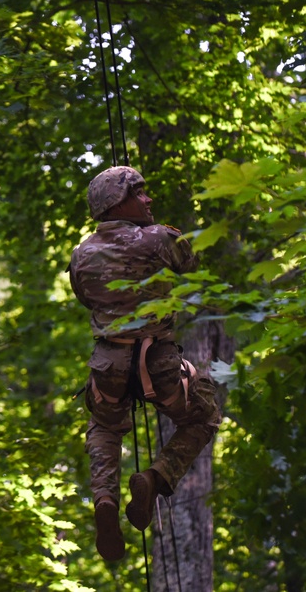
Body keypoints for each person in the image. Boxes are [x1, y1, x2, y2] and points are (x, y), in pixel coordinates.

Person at [68, 165, 221, 562]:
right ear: (119, 202)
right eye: (140, 193)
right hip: (159, 363)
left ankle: (104, 499)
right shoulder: (158, 239)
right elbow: (190, 262)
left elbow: (85, 298)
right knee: (204, 417)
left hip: (108, 365)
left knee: (104, 425)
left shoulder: (81, 254)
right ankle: (155, 477)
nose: (148, 199)